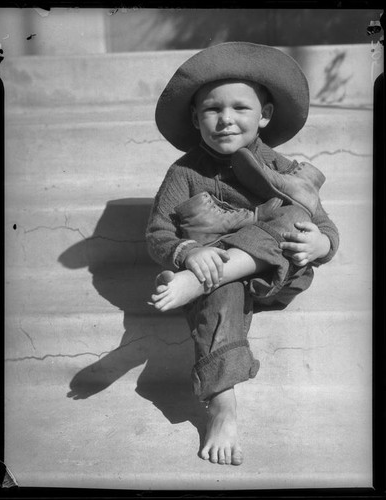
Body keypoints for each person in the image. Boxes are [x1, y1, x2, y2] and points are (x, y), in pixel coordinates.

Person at [145, 42, 339, 466]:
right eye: (212, 110)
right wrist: (187, 251)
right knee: (219, 280)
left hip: (279, 271)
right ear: (196, 119)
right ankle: (223, 403)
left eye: (240, 108)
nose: (226, 119)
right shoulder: (184, 172)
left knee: (291, 213)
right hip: (220, 276)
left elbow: (325, 228)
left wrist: (320, 245)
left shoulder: (284, 169)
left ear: (264, 115)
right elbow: (158, 232)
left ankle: (199, 280)